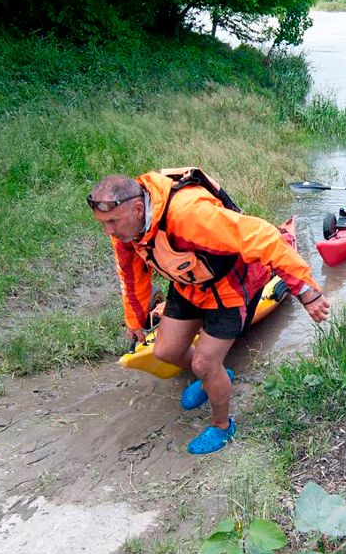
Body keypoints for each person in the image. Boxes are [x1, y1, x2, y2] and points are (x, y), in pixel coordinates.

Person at [88, 168, 329, 455]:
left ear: (138, 208)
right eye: (103, 223)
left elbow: (262, 237)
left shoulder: (190, 215)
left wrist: (308, 293)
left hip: (229, 287)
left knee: (204, 363)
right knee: (165, 351)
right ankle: (216, 374)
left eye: (112, 222)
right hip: (188, 284)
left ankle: (222, 425)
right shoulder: (128, 229)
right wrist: (135, 320)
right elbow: (131, 275)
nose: (109, 231)